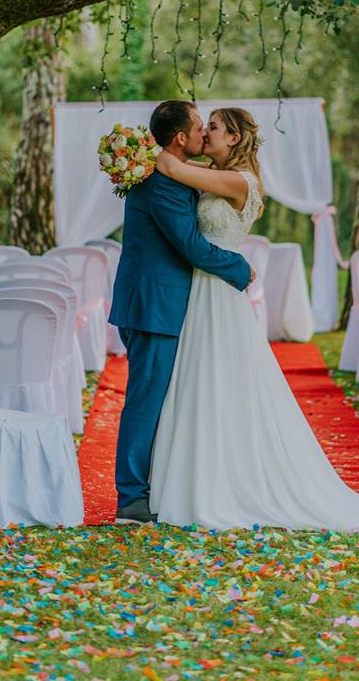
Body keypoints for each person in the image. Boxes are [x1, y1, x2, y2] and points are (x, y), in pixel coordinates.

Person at [149, 106, 359, 533]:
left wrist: (157, 151)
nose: (205, 133)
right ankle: (193, 478)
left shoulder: (238, 181)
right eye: (203, 127)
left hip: (216, 291)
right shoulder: (217, 174)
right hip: (202, 288)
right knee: (200, 378)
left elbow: (171, 169)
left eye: (212, 127)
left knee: (216, 376)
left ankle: (217, 484)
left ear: (234, 139)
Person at [109, 100, 254, 524]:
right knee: (145, 402)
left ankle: (153, 487)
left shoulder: (175, 175)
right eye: (199, 127)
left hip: (160, 304)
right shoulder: (164, 181)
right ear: (180, 138)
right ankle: (131, 500)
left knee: (160, 400)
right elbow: (190, 246)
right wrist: (239, 267)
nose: (203, 134)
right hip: (155, 306)